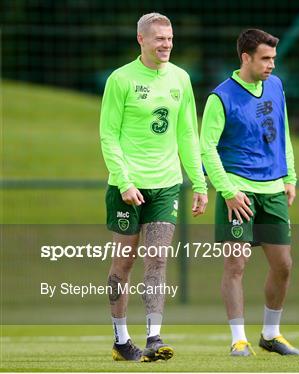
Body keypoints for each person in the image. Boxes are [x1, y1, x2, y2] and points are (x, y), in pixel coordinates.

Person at [99, 12, 208, 362]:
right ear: (141, 40)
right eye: (160, 38)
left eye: (171, 37)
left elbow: (188, 134)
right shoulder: (121, 80)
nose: (167, 44)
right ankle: (120, 340)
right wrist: (125, 181)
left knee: (157, 259)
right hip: (126, 188)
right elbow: (108, 136)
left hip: (166, 185)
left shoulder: (181, 78)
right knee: (124, 263)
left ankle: (154, 338)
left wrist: (199, 182)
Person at [200, 29, 299, 356]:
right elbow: (207, 149)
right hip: (238, 190)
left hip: (273, 188)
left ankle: (271, 335)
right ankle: (238, 339)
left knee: (284, 264)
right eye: (265, 58)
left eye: (273, 58)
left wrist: (290, 175)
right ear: (246, 58)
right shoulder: (221, 97)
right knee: (236, 264)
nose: (272, 64)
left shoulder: (275, 85)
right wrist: (227, 191)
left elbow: (282, 132)